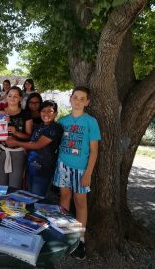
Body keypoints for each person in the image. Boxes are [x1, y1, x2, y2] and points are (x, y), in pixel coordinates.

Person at [53, 86, 101, 260]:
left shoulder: (90, 122)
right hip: (63, 166)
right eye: (76, 97)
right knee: (64, 198)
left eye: (82, 98)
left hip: (81, 169)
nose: (78, 101)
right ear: (70, 99)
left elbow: (94, 151)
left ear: (87, 102)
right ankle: (64, 234)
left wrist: (88, 173)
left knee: (80, 202)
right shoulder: (63, 121)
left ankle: (80, 239)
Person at [6, 100, 63, 197]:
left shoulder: (55, 128)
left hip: (43, 170)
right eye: (43, 111)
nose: (46, 114)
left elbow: (37, 145)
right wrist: (14, 134)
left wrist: (15, 142)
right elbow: (30, 142)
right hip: (31, 167)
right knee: (30, 197)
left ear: (56, 114)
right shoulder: (39, 126)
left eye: (50, 111)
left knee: (37, 198)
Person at [0, 86, 33, 188]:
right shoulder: (0, 113)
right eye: (10, 95)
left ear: (20, 98)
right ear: (6, 97)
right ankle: (0, 203)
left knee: (14, 186)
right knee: (1, 185)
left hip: (17, 153)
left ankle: (12, 204)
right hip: (0, 151)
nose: (12, 98)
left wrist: (16, 132)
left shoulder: (26, 114)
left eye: (15, 96)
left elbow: (29, 136)